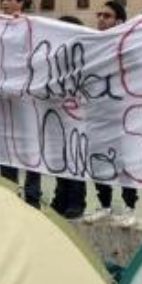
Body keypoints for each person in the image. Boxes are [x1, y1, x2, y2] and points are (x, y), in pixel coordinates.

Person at [86, 0, 139, 227]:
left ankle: (129, 207)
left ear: (118, 21)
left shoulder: (127, 47)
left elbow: (137, 69)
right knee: (98, 161)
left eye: (106, 16)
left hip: (120, 116)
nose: (100, 19)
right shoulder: (91, 45)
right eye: (99, 14)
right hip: (96, 114)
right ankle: (104, 206)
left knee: (123, 163)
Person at [0, 0, 42, 209]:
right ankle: (10, 193)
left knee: (31, 146)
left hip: (28, 98)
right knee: (8, 146)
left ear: (21, 2)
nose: (5, 3)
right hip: (5, 99)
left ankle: (33, 196)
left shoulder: (33, 27)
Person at [50, 15, 91, 219]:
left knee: (76, 155)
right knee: (60, 155)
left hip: (79, 114)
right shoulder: (55, 58)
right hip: (59, 112)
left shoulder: (85, 57)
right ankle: (61, 196)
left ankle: (76, 199)